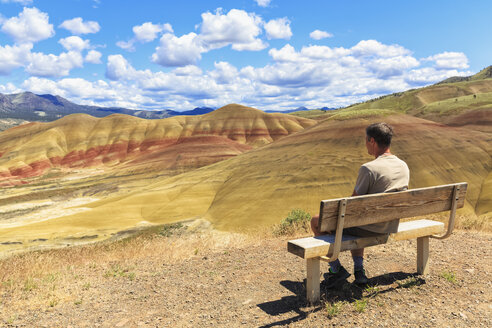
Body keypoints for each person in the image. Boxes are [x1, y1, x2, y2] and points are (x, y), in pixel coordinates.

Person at [310, 122, 410, 287]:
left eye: (365, 140)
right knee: (359, 221)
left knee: (316, 220)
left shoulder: (369, 169)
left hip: (369, 227)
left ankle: (336, 269)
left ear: (372, 141)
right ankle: (359, 270)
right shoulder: (403, 166)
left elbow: (352, 206)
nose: (365, 144)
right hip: (389, 226)